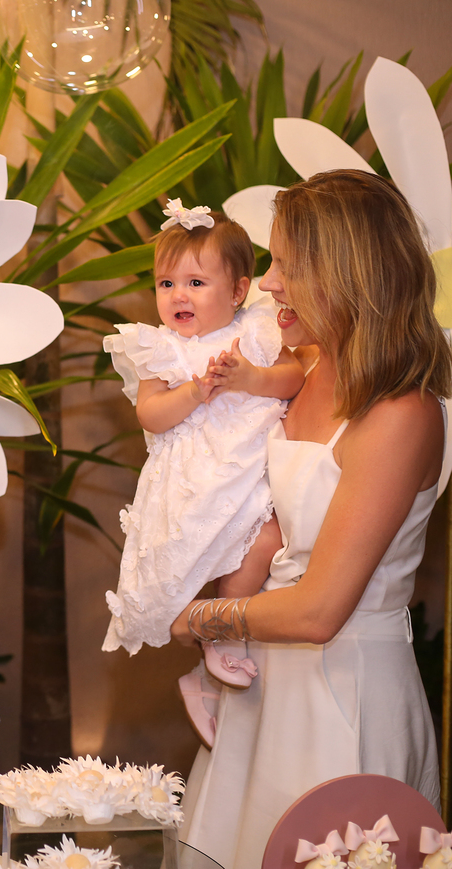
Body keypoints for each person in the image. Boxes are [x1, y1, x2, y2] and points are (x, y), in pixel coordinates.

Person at [173, 169, 451, 869]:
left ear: (350, 275)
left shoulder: (402, 414)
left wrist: (197, 619)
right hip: (262, 677)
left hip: (344, 689)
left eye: (288, 266)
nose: (268, 283)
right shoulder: (306, 366)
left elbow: (321, 610)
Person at [100, 202, 304, 743]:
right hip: (196, 482)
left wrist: (250, 377)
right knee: (198, 563)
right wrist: (195, 391)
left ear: (238, 291)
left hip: (250, 468)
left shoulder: (258, 330)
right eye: (166, 284)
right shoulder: (159, 347)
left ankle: (216, 645)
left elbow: (293, 378)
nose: (178, 296)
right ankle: (217, 640)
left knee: (265, 541)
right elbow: (150, 414)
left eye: (195, 282)